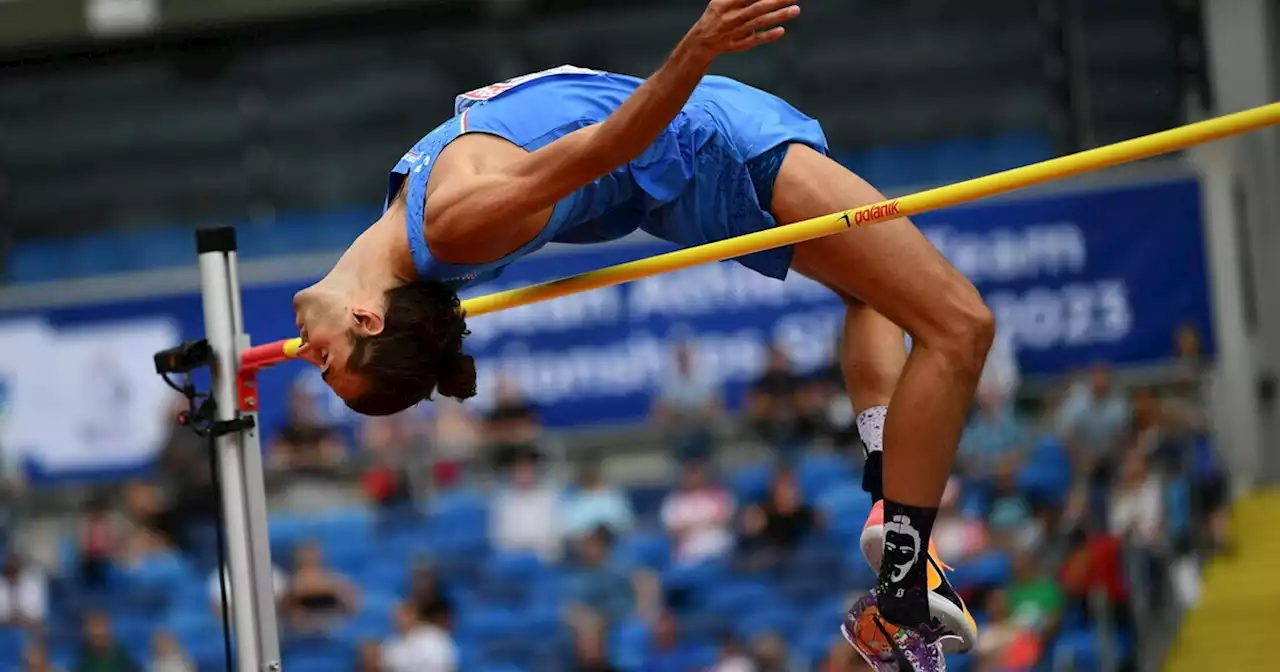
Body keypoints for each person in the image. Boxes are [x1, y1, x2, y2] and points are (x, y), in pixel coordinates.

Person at [290, 1, 993, 667]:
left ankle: (886, 500)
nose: (306, 354)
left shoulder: (406, 227)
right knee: (960, 328)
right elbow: (610, 143)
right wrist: (700, 42)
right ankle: (902, 588)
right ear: (365, 319)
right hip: (711, 147)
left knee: (869, 294)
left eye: (321, 366)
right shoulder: (451, 221)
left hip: (694, 153)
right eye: (326, 362)